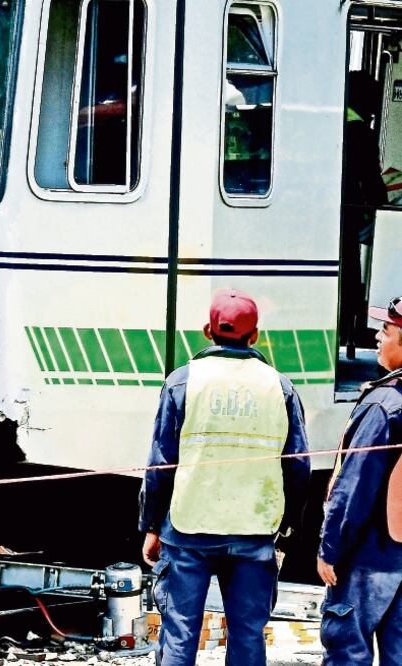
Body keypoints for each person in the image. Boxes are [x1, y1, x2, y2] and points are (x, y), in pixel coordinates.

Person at [138, 289, 311, 666]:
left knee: (180, 634)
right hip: (254, 532)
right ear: (256, 336)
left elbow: (159, 465)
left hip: (188, 531)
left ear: (207, 331)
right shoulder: (280, 387)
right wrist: (286, 528)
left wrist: (151, 526)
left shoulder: (182, 383)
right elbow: (299, 467)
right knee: (248, 635)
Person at [317, 295, 402, 665]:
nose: (377, 340)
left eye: (386, 331)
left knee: (347, 650)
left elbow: (352, 487)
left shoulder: (383, 405)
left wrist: (329, 549)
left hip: (368, 556)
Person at [341, 72, 388, 352]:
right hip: (348, 218)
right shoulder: (360, 133)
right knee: (349, 276)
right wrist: (383, 209)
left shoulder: (332, 123)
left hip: (330, 216)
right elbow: (371, 181)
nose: (374, 110)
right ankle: (352, 329)